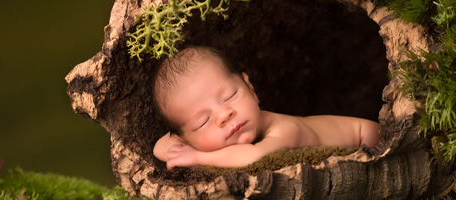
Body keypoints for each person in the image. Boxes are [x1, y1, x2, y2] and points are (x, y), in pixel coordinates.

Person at [152, 46, 381, 170]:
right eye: (202, 122)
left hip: (367, 136)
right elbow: (161, 147)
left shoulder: (284, 129)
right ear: (184, 139)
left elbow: (253, 157)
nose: (224, 114)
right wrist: (185, 148)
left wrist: (197, 156)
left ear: (250, 88)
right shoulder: (187, 139)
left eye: (230, 96)